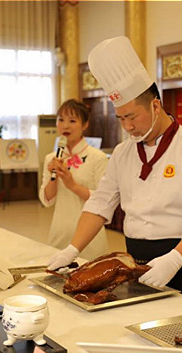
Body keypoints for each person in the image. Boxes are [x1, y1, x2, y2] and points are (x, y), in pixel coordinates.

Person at [47, 36, 182, 300]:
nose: (127, 126)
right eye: (121, 118)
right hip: (137, 259)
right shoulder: (123, 152)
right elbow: (100, 204)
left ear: (155, 105)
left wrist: (174, 259)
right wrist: (72, 249)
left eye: (131, 116)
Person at [39, 99, 109, 261]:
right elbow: (47, 200)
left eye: (72, 121)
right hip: (60, 233)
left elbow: (104, 201)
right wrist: (53, 178)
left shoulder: (97, 158)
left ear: (85, 125)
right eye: (61, 120)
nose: (65, 126)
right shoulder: (51, 158)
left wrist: (72, 185)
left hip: (90, 237)